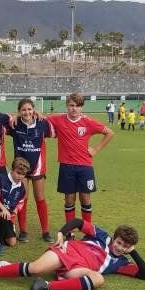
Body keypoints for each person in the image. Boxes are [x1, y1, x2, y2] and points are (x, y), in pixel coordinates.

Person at [0, 218, 145, 290]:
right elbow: (78, 222)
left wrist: (134, 253)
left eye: (125, 246)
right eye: (119, 242)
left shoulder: (121, 263)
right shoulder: (103, 236)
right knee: (35, 269)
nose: (120, 247)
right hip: (69, 252)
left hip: (79, 269)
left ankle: (46, 286)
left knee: (99, 279)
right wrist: (62, 234)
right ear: (114, 238)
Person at [45, 93, 114, 224]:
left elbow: (109, 133)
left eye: (78, 106)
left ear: (81, 107)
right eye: (71, 105)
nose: (74, 109)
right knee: (69, 199)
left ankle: (87, 230)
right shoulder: (58, 120)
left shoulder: (88, 122)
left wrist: (95, 149)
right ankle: (69, 230)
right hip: (66, 166)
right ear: (67, 106)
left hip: (85, 166)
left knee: (85, 198)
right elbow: (40, 118)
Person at [6, 99, 53, 243]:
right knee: (23, 199)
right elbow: (1, 118)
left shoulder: (42, 124)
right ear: (19, 111)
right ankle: (24, 231)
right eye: (23, 110)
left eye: (29, 109)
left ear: (34, 110)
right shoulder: (14, 124)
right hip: (21, 169)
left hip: (38, 167)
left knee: (40, 198)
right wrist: (13, 116)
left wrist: (41, 115)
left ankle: (45, 231)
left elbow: (53, 130)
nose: (27, 112)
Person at [0, 157, 29, 255]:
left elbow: (19, 204)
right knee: (2, 215)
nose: (20, 176)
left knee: (12, 242)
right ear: (12, 170)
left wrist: (12, 216)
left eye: (23, 174)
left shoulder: (22, 188)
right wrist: (4, 209)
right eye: (18, 173)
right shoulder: (1, 178)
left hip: (7, 215)